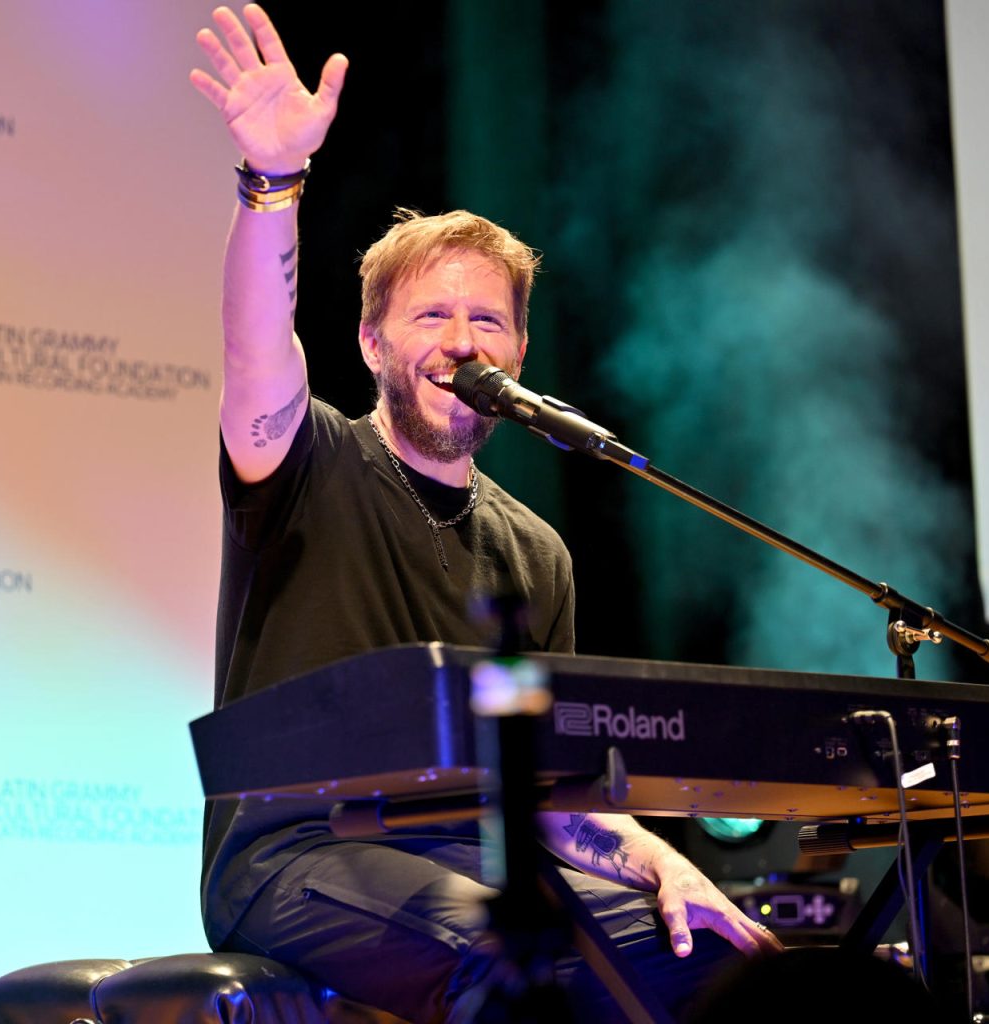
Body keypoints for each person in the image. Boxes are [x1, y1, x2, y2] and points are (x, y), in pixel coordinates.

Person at [189, 6, 783, 1021]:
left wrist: (661, 866)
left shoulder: (536, 553)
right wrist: (273, 182)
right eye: (431, 315)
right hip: (301, 856)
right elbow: (256, 354)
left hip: (482, 864)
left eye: (486, 320)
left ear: (517, 351)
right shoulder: (310, 460)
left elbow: (551, 795)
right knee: (519, 957)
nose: (461, 342)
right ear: (373, 344)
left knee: (728, 968)